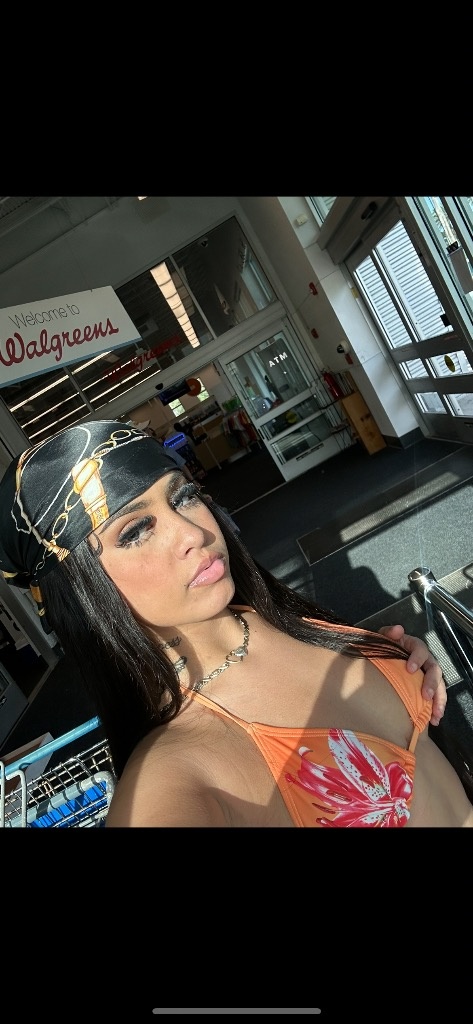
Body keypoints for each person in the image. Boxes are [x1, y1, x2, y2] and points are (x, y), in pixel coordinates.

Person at [0, 419, 469, 829]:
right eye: (136, 530)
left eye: (183, 497)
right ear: (79, 593)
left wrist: (395, 659)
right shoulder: (174, 773)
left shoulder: (275, 617)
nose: (194, 533)